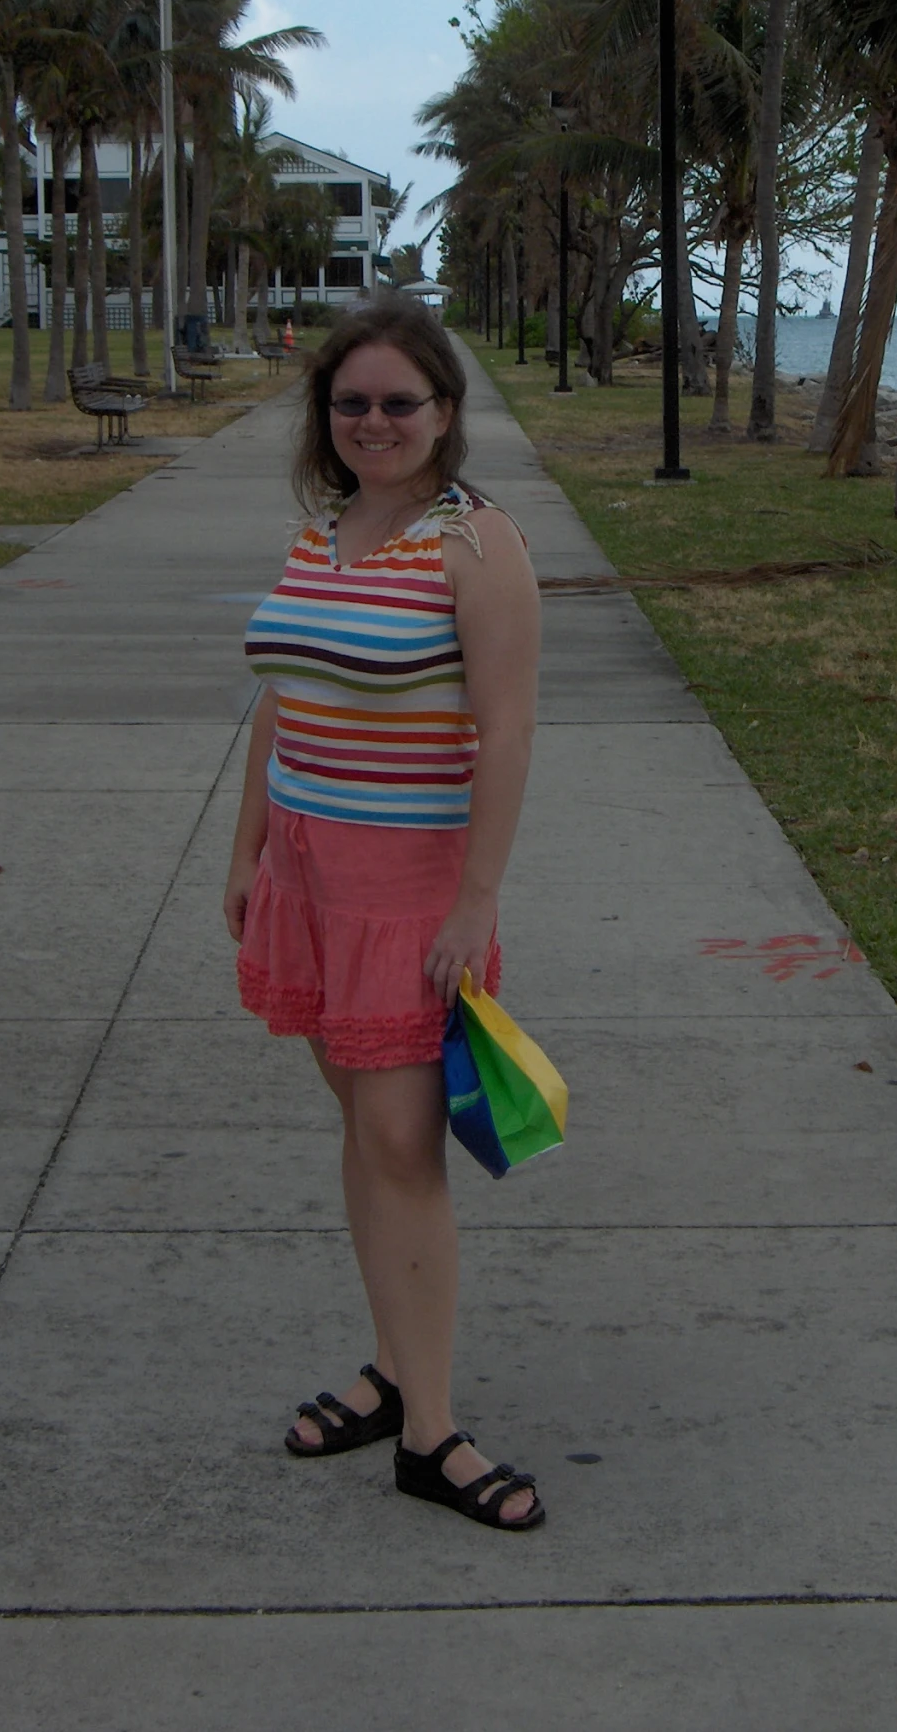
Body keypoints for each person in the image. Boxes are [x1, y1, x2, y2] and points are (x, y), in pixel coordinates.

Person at [225, 295, 544, 1530]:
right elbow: (280, 701)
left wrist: (476, 899)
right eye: (350, 402)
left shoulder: (476, 543)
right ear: (328, 417)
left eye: (398, 402)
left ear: (444, 414)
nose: (374, 421)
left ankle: (431, 1433)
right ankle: (392, 1364)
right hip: (305, 877)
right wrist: (247, 849)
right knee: (366, 1136)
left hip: (407, 890)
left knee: (406, 1152)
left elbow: (508, 729)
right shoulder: (323, 534)